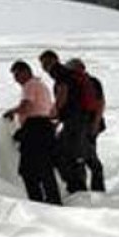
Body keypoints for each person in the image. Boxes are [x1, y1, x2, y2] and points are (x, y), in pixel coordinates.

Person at [3, 60, 62, 205]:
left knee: (28, 170)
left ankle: (37, 201)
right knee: (44, 167)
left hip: (35, 128)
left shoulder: (30, 85)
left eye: (17, 75)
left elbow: (27, 106)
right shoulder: (41, 85)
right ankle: (52, 198)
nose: (16, 79)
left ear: (25, 72)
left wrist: (12, 111)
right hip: (45, 127)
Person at [38, 50, 88, 193]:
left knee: (61, 152)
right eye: (43, 65)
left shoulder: (59, 72)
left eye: (47, 63)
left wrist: (54, 112)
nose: (45, 67)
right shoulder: (67, 74)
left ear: (55, 60)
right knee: (71, 153)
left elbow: (63, 92)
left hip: (74, 122)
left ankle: (76, 187)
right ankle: (77, 186)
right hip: (76, 120)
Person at [65, 58, 106, 192]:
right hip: (90, 124)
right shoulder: (92, 81)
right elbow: (100, 103)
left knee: (83, 156)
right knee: (85, 154)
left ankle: (83, 190)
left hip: (83, 125)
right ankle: (95, 187)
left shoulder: (76, 83)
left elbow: (99, 104)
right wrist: (95, 123)